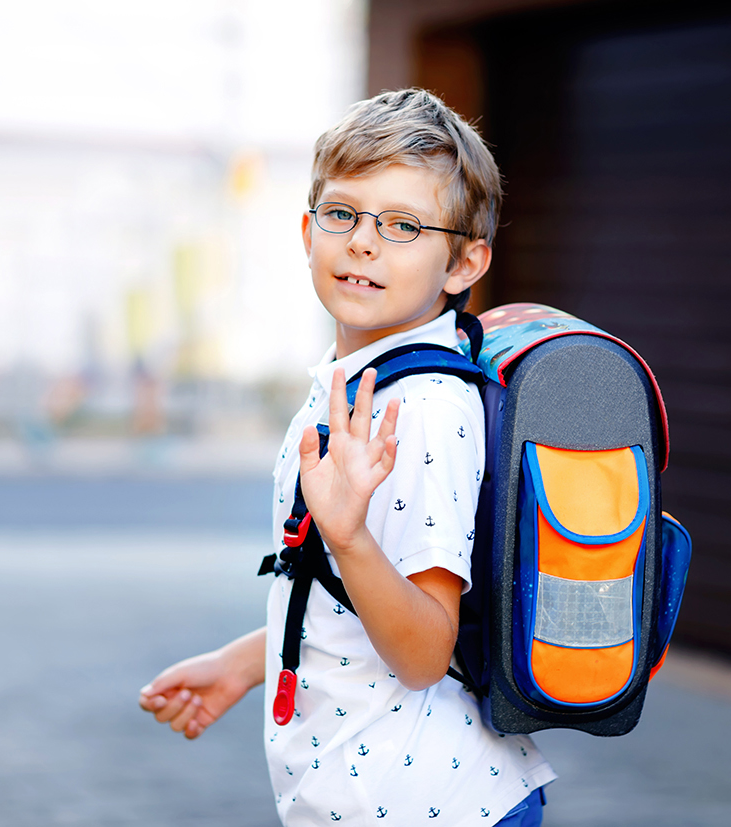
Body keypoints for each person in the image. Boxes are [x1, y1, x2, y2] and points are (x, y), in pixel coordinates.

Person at [138, 89, 556, 826]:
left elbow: (426, 648)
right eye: (343, 214)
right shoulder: (360, 379)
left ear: (464, 263)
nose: (363, 241)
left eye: (402, 225)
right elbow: (346, 594)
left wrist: (350, 534)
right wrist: (244, 662)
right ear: (307, 232)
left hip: (429, 807)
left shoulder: (423, 407)